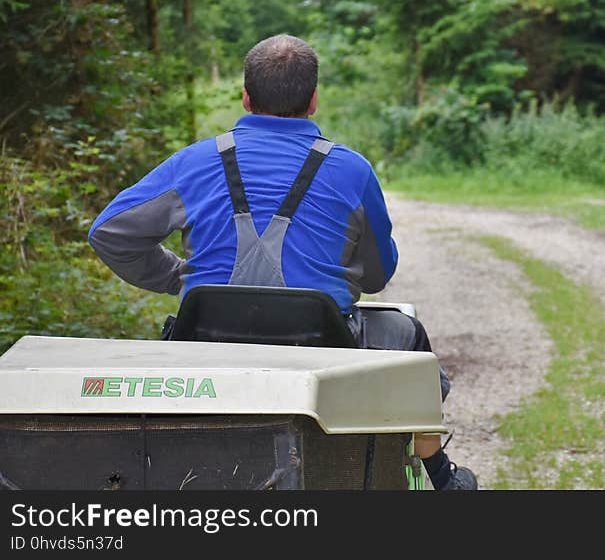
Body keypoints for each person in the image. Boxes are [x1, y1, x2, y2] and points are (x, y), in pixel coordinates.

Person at [88, 33, 477, 491]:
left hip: (206, 341)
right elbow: (377, 276)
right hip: (324, 345)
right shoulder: (352, 170)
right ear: (313, 101)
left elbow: (109, 233)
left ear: (246, 97)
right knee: (410, 336)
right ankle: (441, 477)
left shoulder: (193, 163)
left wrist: (179, 277)